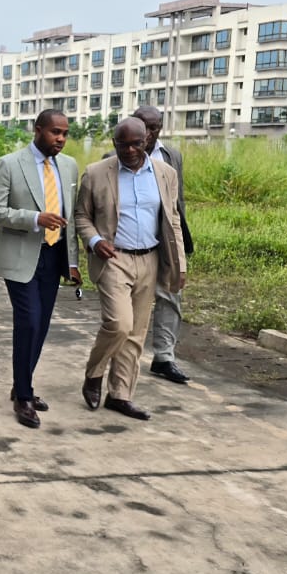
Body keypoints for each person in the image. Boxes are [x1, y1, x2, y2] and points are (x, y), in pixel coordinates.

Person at [75, 117, 185, 422]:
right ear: (114, 144)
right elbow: (82, 215)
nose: (130, 150)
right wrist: (95, 240)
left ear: (148, 139)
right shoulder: (97, 173)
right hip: (114, 259)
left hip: (149, 259)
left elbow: (172, 220)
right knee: (119, 324)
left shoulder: (165, 173)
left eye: (136, 143)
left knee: (136, 334)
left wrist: (180, 264)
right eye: (123, 144)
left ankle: (120, 395)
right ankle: (94, 373)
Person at [0, 111, 82, 429]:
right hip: (22, 256)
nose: (61, 139)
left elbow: (70, 217)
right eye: (55, 132)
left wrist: (72, 262)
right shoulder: (9, 163)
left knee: (41, 326)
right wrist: (34, 218)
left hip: (54, 257)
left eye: (65, 133)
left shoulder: (68, 166)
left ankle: (21, 384)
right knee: (28, 321)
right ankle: (23, 397)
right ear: (38, 130)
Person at [134, 106, 195, 384]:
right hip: (133, 242)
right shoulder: (115, 155)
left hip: (165, 239)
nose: (148, 133)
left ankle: (164, 358)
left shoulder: (172, 156)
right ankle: (125, 355)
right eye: (143, 126)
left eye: (154, 128)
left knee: (171, 296)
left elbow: (176, 203)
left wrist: (180, 244)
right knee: (134, 300)